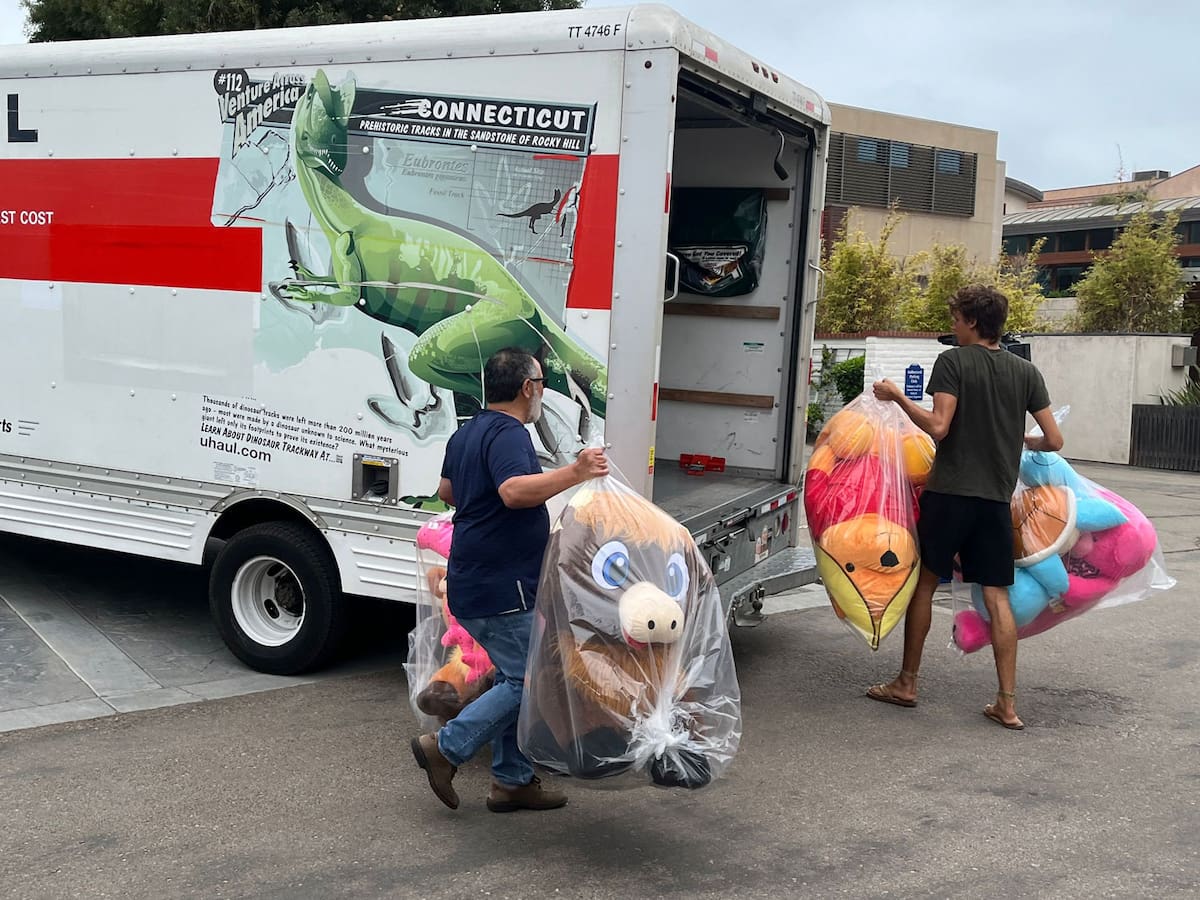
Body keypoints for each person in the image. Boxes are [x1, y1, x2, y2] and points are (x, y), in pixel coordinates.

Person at [411, 347, 609, 811]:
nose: (541, 393)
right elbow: (513, 491)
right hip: (502, 587)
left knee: (511, 676)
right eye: (540, 384)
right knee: (529, 681)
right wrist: (576, 472)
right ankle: (446, 748)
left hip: (473, 580)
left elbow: (447, 492)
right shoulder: (509, 433)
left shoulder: (468, 432)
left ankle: (511, 781)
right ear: (527, 388)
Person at [867, 285, 1063, 730]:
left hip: (950, 494)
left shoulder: (953, 362)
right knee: (997, 597)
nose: (952, 326)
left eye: (955, 319)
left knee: (925, 584)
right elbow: (1054, 441)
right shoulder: (1025, 371)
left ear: (973, 322)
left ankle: (907, 683)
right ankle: (1007, 704)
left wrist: (897, 397)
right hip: (995, 501)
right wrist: (1021, 440)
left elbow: (939, 426)